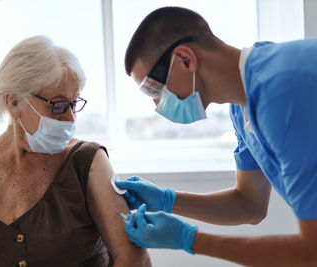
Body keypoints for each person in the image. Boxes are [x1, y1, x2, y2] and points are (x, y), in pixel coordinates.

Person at [115, 6, 317, 266]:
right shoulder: (242, 104)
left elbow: (311, 252)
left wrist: (188, 240)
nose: (156, 104)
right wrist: (167, 200)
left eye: (154, 88)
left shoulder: (282, 93)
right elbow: (251, 204)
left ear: (185, 59)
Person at [0, 36, 151, 267]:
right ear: (14, 103)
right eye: (58, 105)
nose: (70, 118)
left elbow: (133, 258)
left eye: (74, 104)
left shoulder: (88, 163)